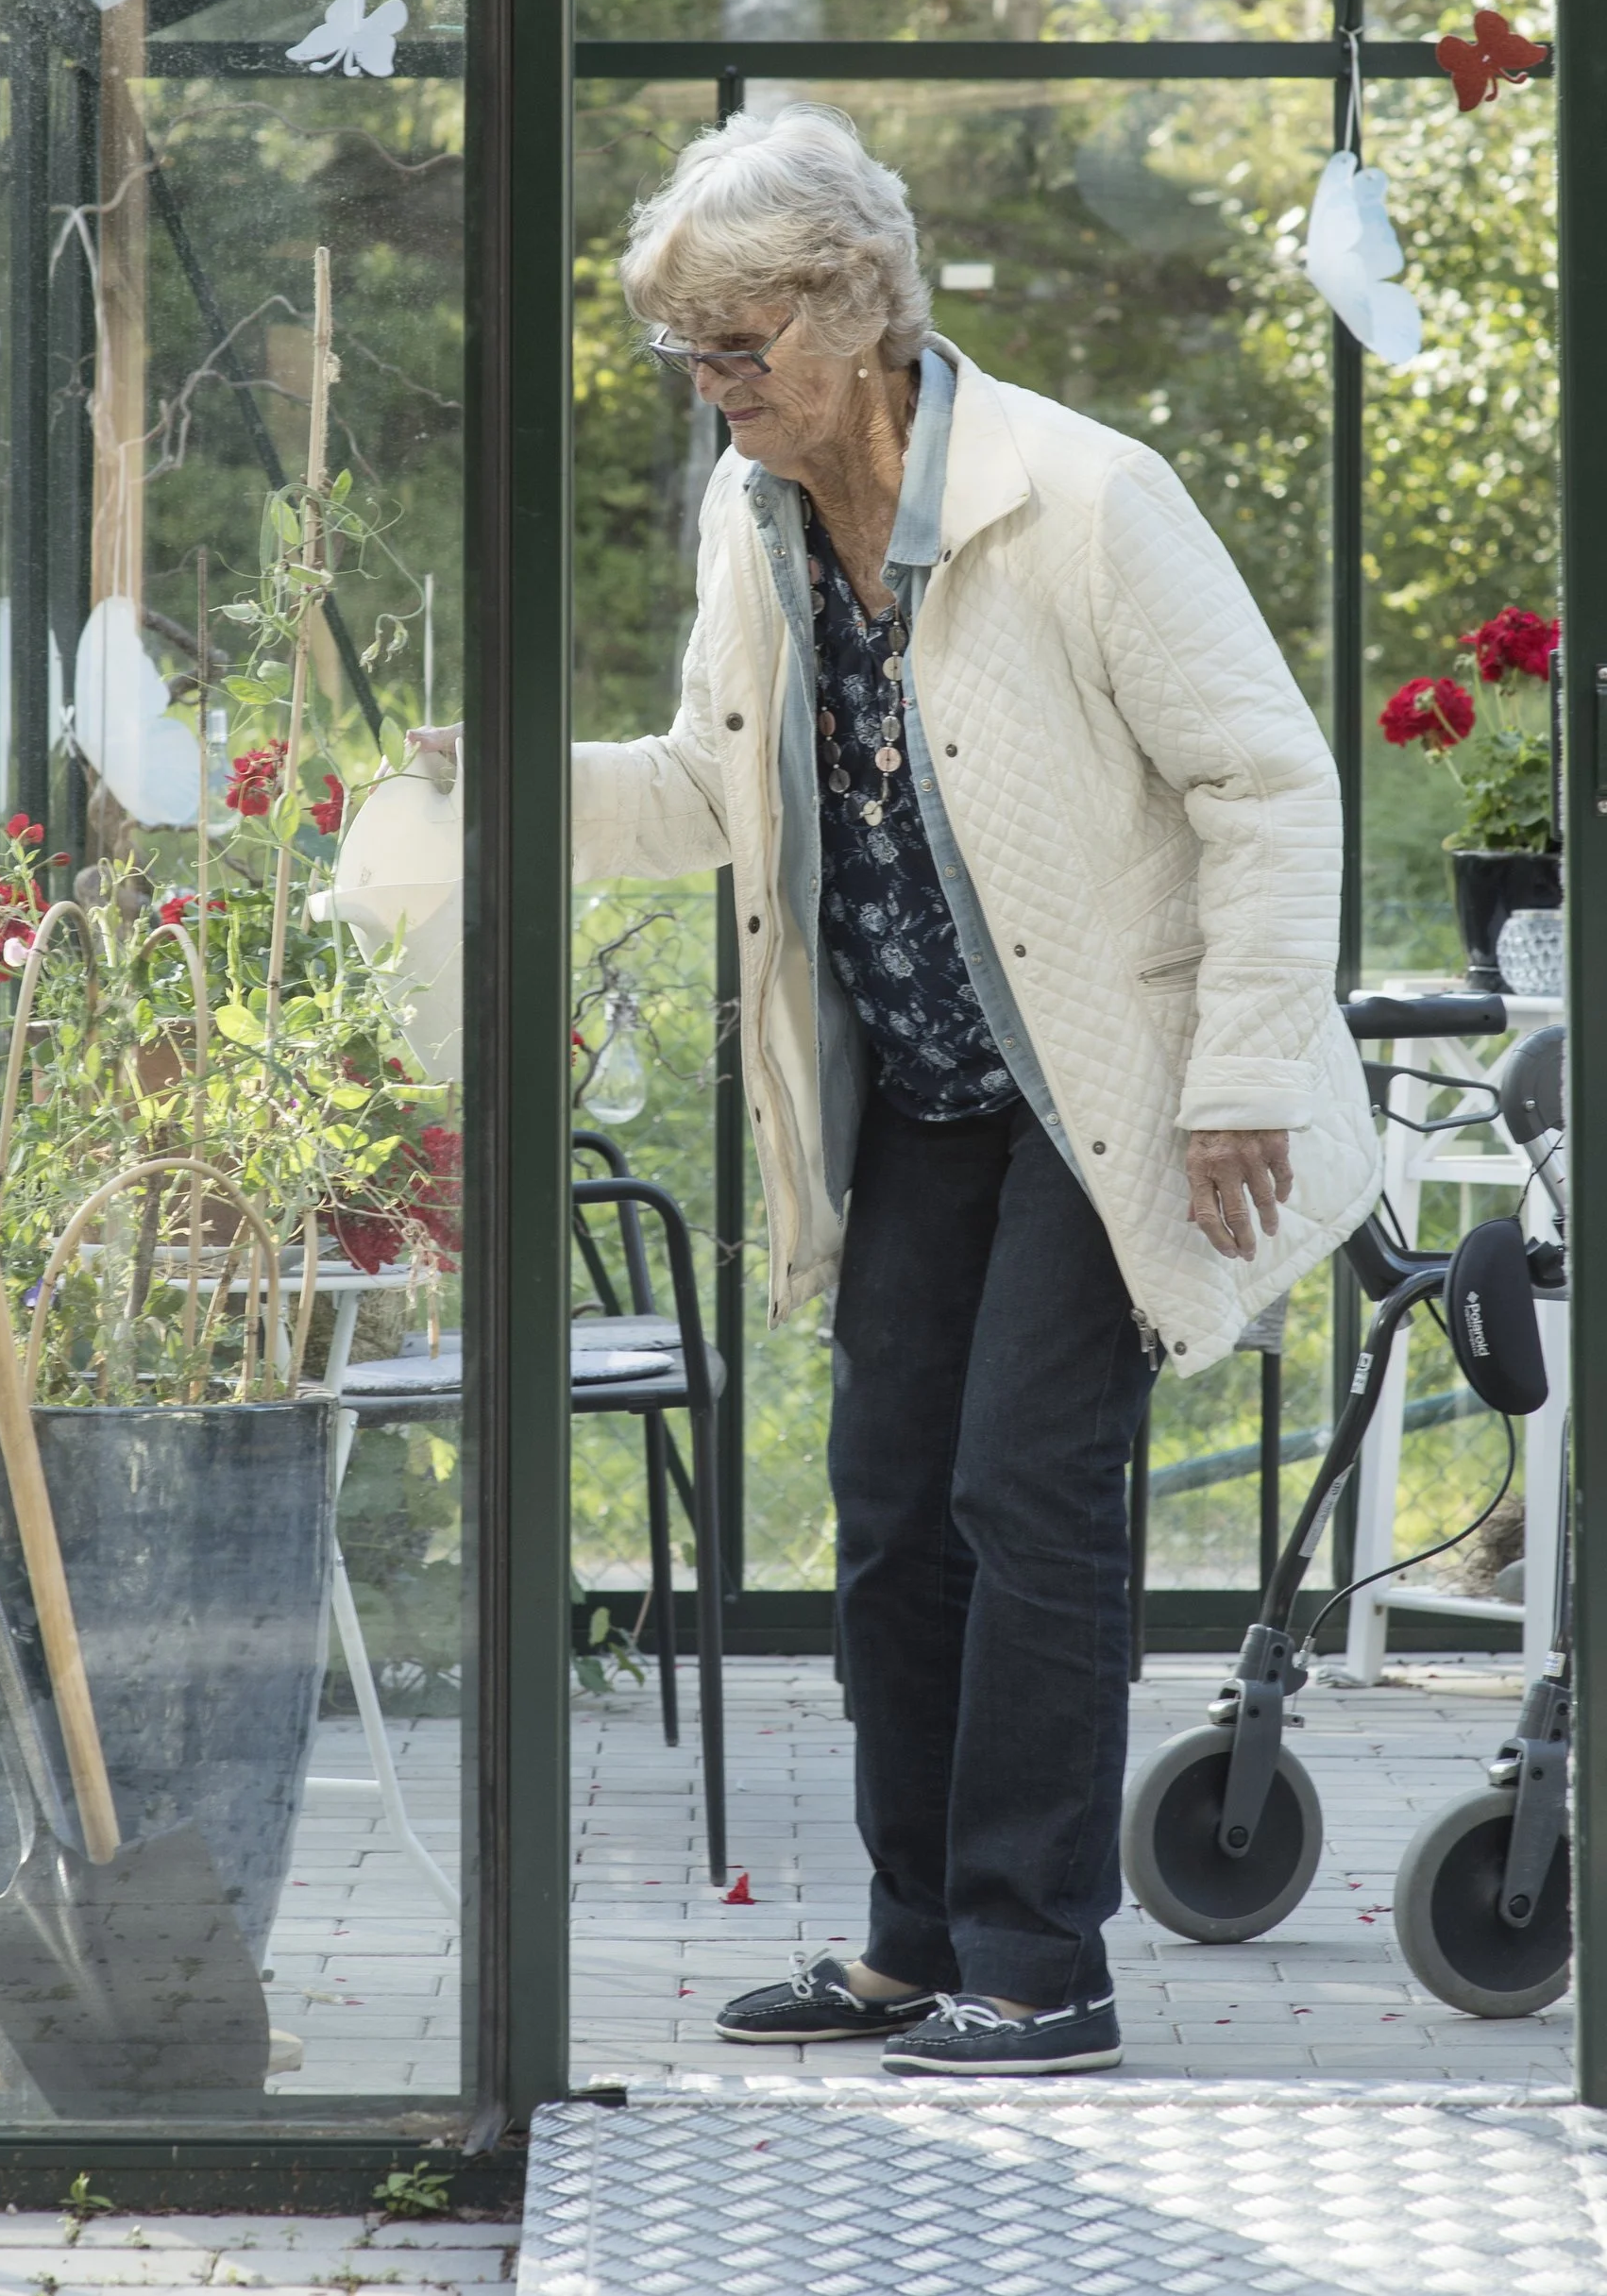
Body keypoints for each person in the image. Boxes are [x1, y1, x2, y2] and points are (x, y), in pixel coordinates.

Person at [572, 104, 1379, 2074]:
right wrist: (473, 784)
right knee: (884, 1508)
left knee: (1024, 1483)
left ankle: (1041, 1960)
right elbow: (703, 785)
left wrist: (1242, 1076)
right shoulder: (751, 521)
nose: (708, 388)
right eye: (686, 351)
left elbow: (1265, 781)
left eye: (736, 347)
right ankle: (910, 1938)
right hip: (919, 1089)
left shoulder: (1084, 500)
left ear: (853, 316)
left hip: (1108, 1089)